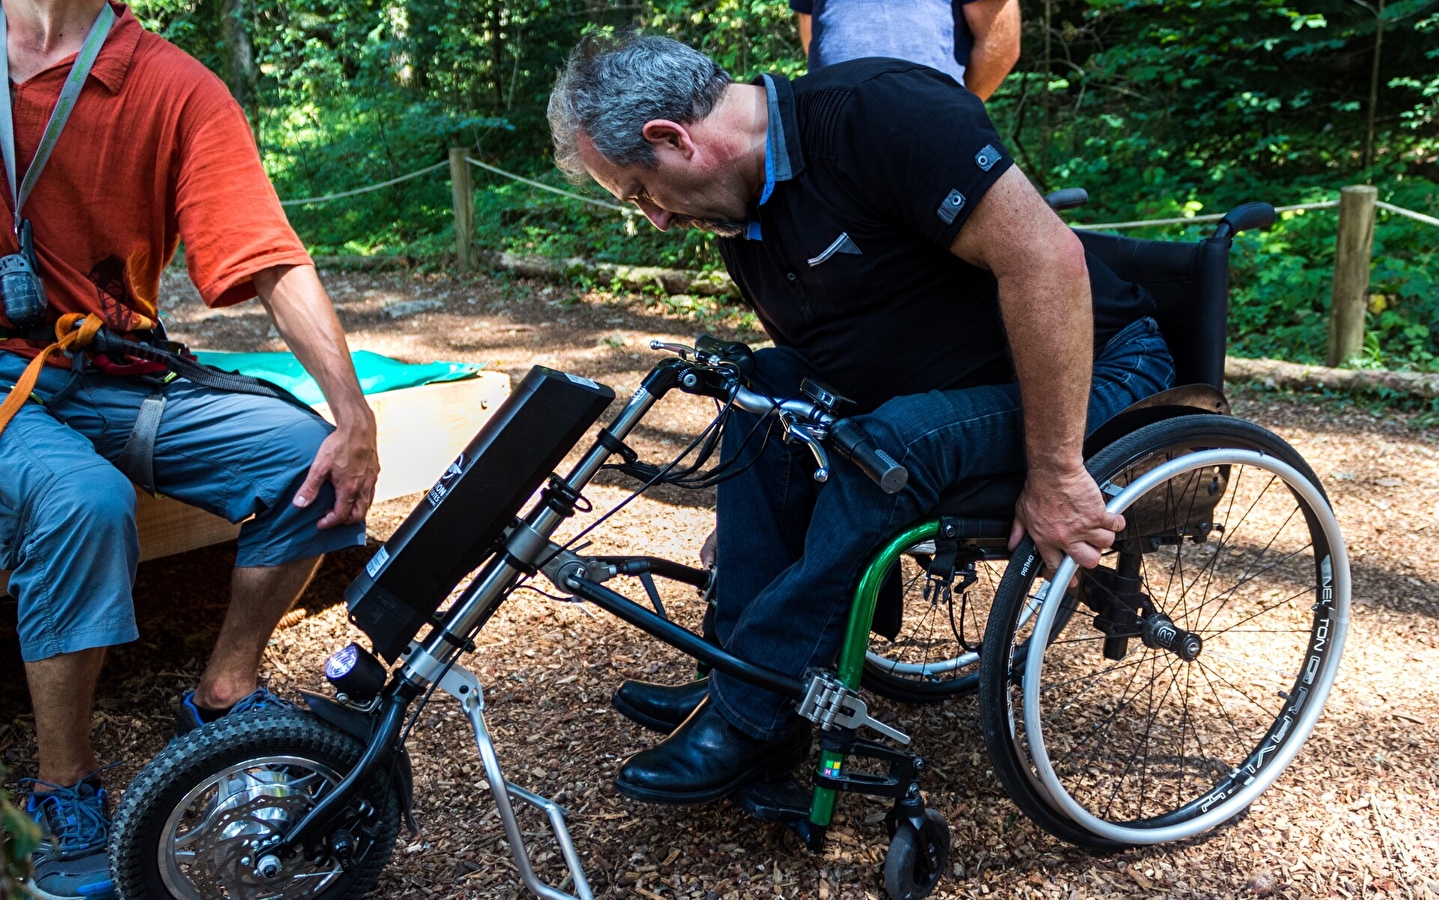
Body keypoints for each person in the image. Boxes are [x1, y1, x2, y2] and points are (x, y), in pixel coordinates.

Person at [547, 32, 1174, 805]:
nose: (655, 220)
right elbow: (820, 372)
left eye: (639, 192)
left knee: (890, 444)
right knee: (762, 391)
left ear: (671, 139)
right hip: (943, 384)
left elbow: (1046, 260)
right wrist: (761, 520)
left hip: (1096, 363)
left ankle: (753, 717)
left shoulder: (877, 114)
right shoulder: (746, 217)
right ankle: (736, 672)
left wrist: (1054, 471)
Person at [0, 0, 379, 895]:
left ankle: (225, 691)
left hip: (114, 361)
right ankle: (63, 788)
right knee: (81, 503)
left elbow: (270, 257)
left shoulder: (169, 84)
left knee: (307, 461)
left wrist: (353, 412)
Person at [793, 0, 1021, 101]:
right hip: (832, 128)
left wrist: (956, 112)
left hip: (934, 125)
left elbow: (1000, 45)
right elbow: (812, 32)